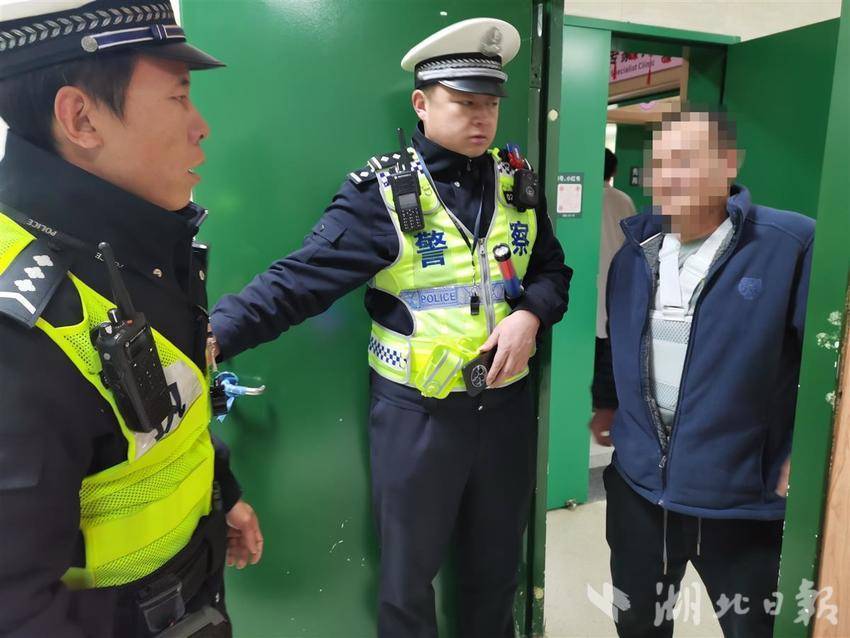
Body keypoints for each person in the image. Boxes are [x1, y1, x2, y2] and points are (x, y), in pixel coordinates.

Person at [209, 17, 572, 638]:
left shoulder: (518, 184)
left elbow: (552, 271)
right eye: (464, 103)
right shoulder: (381, 194)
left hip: (505, 411)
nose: (482, 118)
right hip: (418, 416)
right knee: (407, 582)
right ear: (421, 104)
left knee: (495, 573)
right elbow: (300, 280)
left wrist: (530, 316)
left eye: (490, 104)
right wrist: (217, 333)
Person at [0, 2, 262, 636]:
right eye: (178, 98)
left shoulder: (134, 246)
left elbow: (164, 414)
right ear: (81, 118)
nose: (201, 127)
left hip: (193, 596)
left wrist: (220, 494)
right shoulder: (17, 326)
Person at [594, 107, 813, 637]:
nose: (671, 176)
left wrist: (802, 454)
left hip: (741, 499)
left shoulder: (788, 245)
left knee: (755, 628)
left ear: (729, 162)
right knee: (639, 625)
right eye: (662, 163)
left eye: (689, 160)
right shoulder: (635, 253)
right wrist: (607, 402)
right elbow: (615, 337)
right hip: (640, 491)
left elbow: (829, 366)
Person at [590, 148, 636, 444]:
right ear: (614, 171)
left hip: (587, 284)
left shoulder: (584, 197)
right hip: (618, 283)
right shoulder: (624, 200)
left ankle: (597, 404)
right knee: (609, 347)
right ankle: (605, 404)